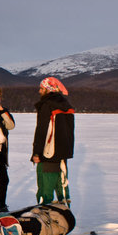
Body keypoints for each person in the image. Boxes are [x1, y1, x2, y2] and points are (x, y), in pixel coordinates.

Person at [31, 77, 75, 206]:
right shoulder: (67, 105)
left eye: (41, 88)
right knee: (61, 183)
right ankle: (65, 212)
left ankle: (44, 213)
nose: (39, 91)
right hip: (63, 153)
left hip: (48, 153)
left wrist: (36, 153)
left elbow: (41, 131)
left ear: (48, 89)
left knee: (45, 187)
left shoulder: (47, 105)